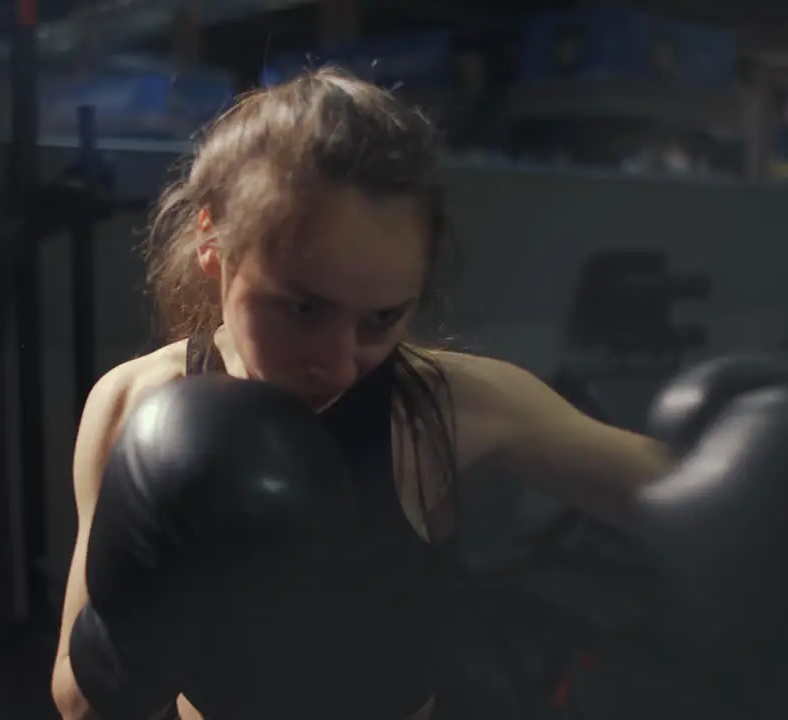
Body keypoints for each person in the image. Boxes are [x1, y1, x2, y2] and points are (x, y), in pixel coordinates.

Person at [50, 66, 673, 720]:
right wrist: (138, 622)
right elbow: (80, 707)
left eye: (381, 320)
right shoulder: (132, 403)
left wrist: (766, 459)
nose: (341, 365)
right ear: (213, 239)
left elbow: (700, 502)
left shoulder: (442, 407)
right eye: (302, 310)